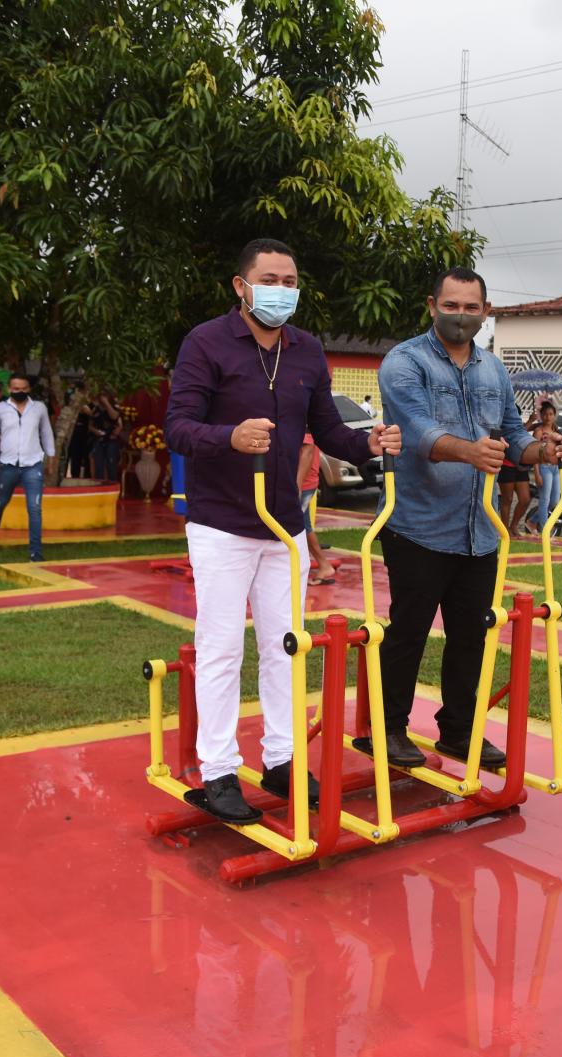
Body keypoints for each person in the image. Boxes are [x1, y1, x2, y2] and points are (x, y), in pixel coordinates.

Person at [164, 237, 400, 825]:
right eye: (270, 279)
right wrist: (229, 437)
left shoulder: (307, 350)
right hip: (222, 523)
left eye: (291, 281)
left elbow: (327, 427)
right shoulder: (206, 342)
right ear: (240, 287)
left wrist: (366, 443)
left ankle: (283, 760)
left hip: (285, 526)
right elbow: (179, 427)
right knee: (220, 650)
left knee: (285, 649)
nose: (283, 290)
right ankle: (217, 771)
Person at [370, 266, 562, 771]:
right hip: (416, 523)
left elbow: (512, 435)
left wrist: (543, 451)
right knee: (408, 631)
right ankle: (389, 729)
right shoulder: (404, 362)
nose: (461, 316)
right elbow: (418, 432)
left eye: (471, 308)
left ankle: (459, 731)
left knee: (472, 633)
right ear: (432, 305)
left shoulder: (493, 370)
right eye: (451, 306)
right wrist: (473, 453)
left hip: (480, 528)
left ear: (485, 311)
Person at [0, 372, 55, 560]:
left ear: (29, 389)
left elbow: (46, 433)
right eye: (15, 389)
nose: (19, 392)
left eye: (23, 389)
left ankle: (35, 552)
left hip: (33, 464)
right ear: (9, 389)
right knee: (1, 502)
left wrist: (51, 458)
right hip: (8, 465)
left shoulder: (39, 408)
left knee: (34, 507)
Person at [297, 433, 335, 585]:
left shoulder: (304, 420)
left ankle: (323, 564)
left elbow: (307, 449)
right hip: (305, 482)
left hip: (304, 483)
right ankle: (323, 564)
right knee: (302, 524)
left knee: (300, 526)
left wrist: (297, 485)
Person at [529, 401, 562, 534]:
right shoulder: (539, 431)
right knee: (545, 499)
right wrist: (537, 473)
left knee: (555, 501)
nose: (548, 417)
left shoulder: (556, 430)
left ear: (554, 415)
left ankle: (532, 521)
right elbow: (534, 454)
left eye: (551, 414)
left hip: (555, 468)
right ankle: (545, 531)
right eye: (545, 414)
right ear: (541, 416)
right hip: (544, 468)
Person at [496, 449, 531, 536]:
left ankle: (514, 525)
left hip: (521, 464)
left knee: (525, 499)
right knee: (507, 499)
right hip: (505, 464)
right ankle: (505, 529)